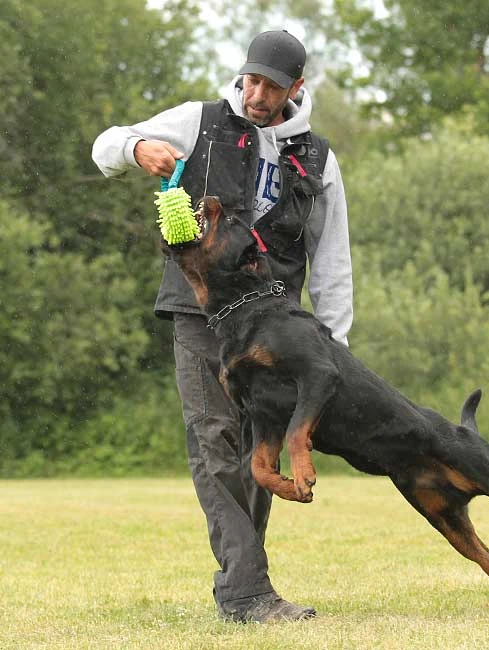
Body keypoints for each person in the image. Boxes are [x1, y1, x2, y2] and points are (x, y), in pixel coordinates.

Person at [92, 30, 353, 623]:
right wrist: (138, 149)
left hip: (276, 326)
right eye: (251, 80)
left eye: (272, 87)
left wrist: (334, 345)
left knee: (261, 447)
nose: (257, 95)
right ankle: (247, 592)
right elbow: (105, 145)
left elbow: (331, 256)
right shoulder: (199, 121)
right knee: (214, 441)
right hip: (199, 313)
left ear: (296, 87)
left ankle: (245, 587)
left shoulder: (318, 158)